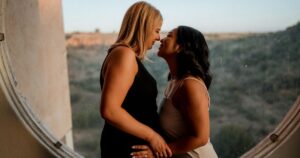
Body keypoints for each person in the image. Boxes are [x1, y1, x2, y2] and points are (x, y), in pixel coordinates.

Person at [131, 26, 218, 158]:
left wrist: (158, 153)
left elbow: (201, 137)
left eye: (169, 36)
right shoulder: (175, 81)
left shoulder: (190, 85)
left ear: (180, 47)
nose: (161, 39)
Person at [99, 1, 172, 158]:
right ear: (143, 27)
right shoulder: (124, 55)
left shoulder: (125, 55)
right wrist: (152, 136)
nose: (159, 37)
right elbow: (110, 110)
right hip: (126, 149)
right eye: (156, 31)